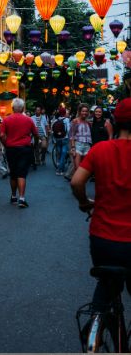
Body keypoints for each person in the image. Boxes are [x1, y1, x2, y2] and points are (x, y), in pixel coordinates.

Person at [70, 97, 131, 311]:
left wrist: (85, 202)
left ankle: (95, 331)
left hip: (103, 238)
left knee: (106, 287)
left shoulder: (100, 149)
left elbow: (77, 181)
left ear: (114, 122)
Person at [0, 98, 38, 208]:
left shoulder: (6, 120)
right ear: (22, 108)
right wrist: (34, 144)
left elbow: (2, 135)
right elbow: (35, 134)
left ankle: (13, 196)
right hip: (25, 149)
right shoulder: (29, 120)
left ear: (12, 108)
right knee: (22, 173)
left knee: (13, 173)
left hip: (11, 149)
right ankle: (22, 198)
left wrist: (5, 144)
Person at [69, 103, 92, 171]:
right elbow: (71, 135)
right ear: (79, 112)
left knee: (85, 169)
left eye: (86, 111)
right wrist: (73, 148)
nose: (84, 113)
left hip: (87, 146)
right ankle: (75, 181)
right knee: (77, 168)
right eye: (83, 111)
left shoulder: (88, 122)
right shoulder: (75, 121)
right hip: (78, 146)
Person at [51, 107, 71, 176]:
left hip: (57, 139)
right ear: (65, 113)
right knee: (63, 154)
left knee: (59, 153)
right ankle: (60, 169)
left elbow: (53, 129)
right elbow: (68, 130)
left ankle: (59, 166)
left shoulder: (56, 120)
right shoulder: (67, 120)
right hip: (64, 138)